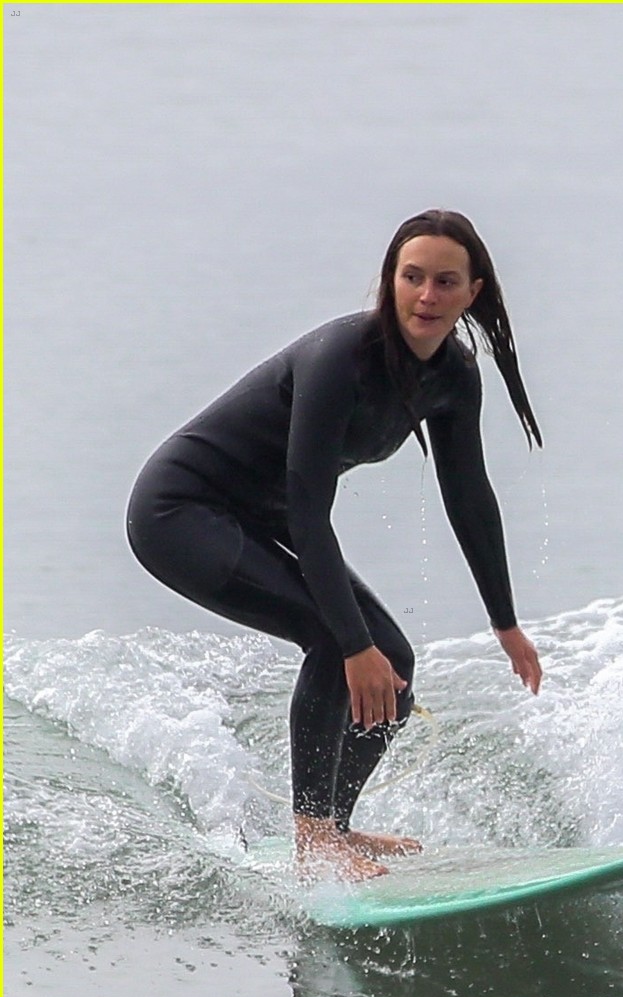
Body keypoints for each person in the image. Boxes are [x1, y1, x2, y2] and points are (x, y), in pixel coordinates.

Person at [127, 209, 543, 880]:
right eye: (411, 278)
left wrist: (505, 621)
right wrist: (351, 643)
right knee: (336, 639)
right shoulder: (339, 360)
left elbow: (467, 495)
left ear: (474, 290)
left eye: (445, 282)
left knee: (393, 665)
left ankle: (335, 827)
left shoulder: (453, 377)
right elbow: (308, 510)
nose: (427, 297)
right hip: (180, 511)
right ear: (389, 281)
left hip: (264, 518)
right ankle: (312, 837)